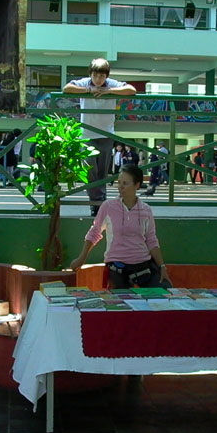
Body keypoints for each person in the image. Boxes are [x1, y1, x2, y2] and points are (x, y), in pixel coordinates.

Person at [70, 164, 171, 289]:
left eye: (125, 183)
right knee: (121, 298)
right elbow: (94, 232)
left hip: (143, 264)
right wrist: (81, 258)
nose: (120, 187)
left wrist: (162, 267)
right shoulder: (108, 206)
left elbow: (151, 240)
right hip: (117, 265)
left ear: (137, 185)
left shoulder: (146, 210)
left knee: (165, 291)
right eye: (119, 183)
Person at [63, 58, 136, 216]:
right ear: (91, 74)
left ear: (106, 76)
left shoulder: (111, 84)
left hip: (106, 134)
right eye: (95, 76)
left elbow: (131, 90)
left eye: (102, 76)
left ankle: (100, 203)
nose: (98, 79)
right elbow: (67, 88)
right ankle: (96, 202)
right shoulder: (85, 83)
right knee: (90, 169)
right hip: (87, 134)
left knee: (102, 171)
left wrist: (108, 91)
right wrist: (88, 91)